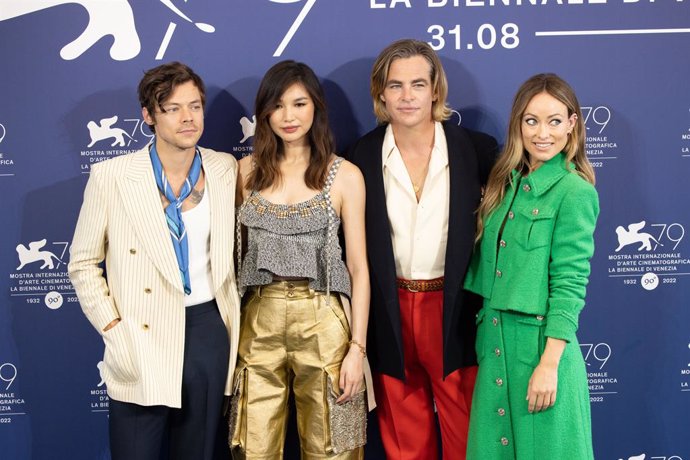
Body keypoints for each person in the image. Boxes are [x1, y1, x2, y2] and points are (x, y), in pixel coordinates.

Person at [68, 61, 240, 460]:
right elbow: (82, 263)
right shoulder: (112, 175)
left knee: (197, 452)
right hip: (140, 330)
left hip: (206, 329)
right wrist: (113, 328)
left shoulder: (224, 167)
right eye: (173, 108)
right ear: (148, 115)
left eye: (195, 106)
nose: (187, 118)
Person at [347, 39, 498, 459]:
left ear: (436, 90)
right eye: (395, 86)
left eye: (417, 84)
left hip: (455, 309)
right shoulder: (360, 154)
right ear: (380, 93)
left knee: (467, 433)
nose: (407, 96)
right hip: (389, 310)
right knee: (403, 437)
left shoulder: (477, 150)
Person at [230, 60, 373, 459]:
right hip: (258, 318)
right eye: (277, 106)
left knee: (335, 446)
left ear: (316, 108)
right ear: (264, 113)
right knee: (251, 447)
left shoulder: (345, 175)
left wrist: (357, 349)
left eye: (299, 103)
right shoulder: (245, 172)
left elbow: (359, 268)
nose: (289, 117)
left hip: (325, 318)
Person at [464, 73, 599, 459]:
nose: (543, 133)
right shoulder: (504, 184)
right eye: (531, 120)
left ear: (572, 124)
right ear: (518, 125)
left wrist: (549, 364)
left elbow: (571, 283)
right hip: (494, 346)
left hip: (540, 349)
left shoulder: (575, 193)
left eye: (555, 120)